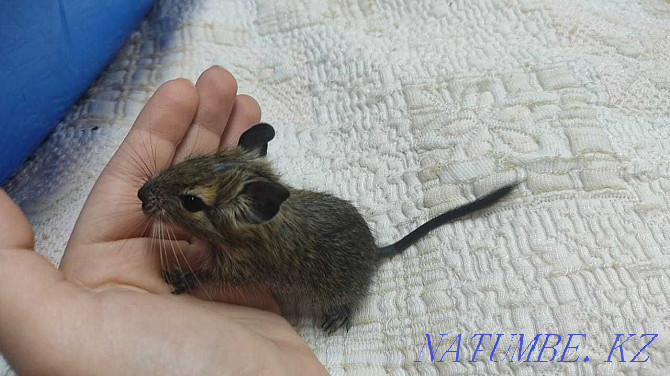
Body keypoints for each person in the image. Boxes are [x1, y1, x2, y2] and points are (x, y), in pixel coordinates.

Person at [0, 66, 329, 375]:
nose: (145, 193)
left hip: (335, 278)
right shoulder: (239, 227)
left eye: (190, 202)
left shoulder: (247, 252)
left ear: (255, 210)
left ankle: (343, 303)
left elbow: (231, 273)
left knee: (337, 295)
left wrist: (193, 278)